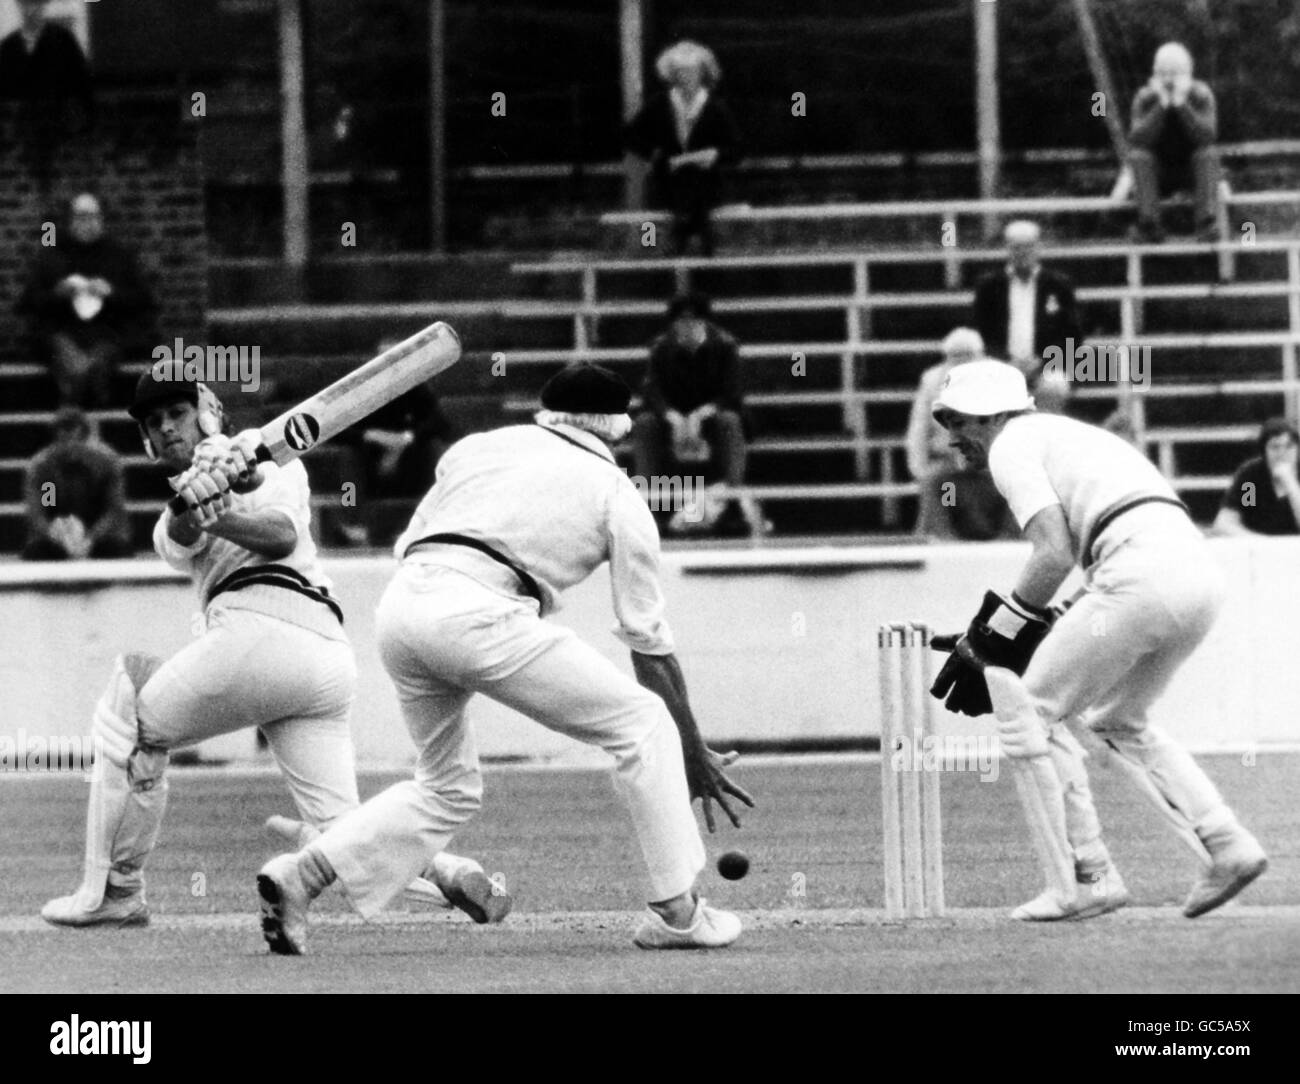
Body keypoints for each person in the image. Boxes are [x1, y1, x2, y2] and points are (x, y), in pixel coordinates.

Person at [244, 362, 755, 954]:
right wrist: (689, 746)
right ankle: (678, 912)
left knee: (445, 788)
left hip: (403, 608)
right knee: (644, 723)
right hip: (482, 610)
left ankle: (300, 876)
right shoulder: (619, 492)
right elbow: (648, 642)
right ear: (617, 425)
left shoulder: (479, 447)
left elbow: (415, 537)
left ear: (547, 412)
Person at [41, 373, 504, 929]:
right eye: (154, 422)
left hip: (266, 629)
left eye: (178, 414)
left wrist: (228, 497)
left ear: (207, 411)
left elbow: (281, 535)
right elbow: (181, 536)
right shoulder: (170, 519)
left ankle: (114, 891)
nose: (166, 428)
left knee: (129, 703)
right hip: (317, 661)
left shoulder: (268, 453)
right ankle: (451, 872)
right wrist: (198, 501)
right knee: (341, 829)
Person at [928, 360, 1267, 922]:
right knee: (1116, 719)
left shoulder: (1013, 443)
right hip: (1195, 577)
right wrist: (1033, 622)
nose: (952, 437)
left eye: (957, 419)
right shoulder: (1070, 435)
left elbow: (1053, 553)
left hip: (1137, 575)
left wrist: (993, 635)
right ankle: (1226, 843)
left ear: (990, 414)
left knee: (1030, 711)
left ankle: (1086, 877)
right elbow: (1103, 554)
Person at [632, 292, 758, 536]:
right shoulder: (661, 348)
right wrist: (674, 417)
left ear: (705, 323)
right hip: (673, 421)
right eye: (681, 322)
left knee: (730, 420)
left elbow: (732, 393)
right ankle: (650, 506)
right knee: (644, 423)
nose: (686, 327)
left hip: (712, 418)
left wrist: (701, 415)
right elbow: (652, 393)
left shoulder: (726, 346)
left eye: (693, 321)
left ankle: (733, 505)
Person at [18, 193, 157, 407]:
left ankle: (74, 412)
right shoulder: (52, 257)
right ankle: (90, 401)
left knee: (86, 367)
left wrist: (111, 294)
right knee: (76, 365)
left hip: (108, 336)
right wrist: (58, 294)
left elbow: (145, 302)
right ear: (70, 220)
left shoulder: (120, 257)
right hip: (62, 335)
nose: (88, 223)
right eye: (81, 216)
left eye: (93, 216)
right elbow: (27, 303)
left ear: (102, 219)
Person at [623, 40, 739, 256]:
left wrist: (715, 155)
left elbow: (736, 150)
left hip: (707, 186)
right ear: (671, 75)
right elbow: (629, 135)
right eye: (680, 72)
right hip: (667, 186)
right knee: (658, 236)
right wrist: (656, 155)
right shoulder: (659, 105)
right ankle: (671, 270)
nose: (686, 77)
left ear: (702, 73)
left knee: (698, 214)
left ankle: (702, 271)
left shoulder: (716, 108)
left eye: (692, 71)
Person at [905, 328, 1015, 541]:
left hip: (992, 464)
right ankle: (946, 537)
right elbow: (918, 429)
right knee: (938, 486)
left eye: (967, 357)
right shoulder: (932, 381)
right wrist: (920, 469)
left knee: (1019, 484)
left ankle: (1008, 535)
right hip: (949, 466)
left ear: (981, 356)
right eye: (956, 358)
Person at [972, 220, 1080, 414]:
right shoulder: (989, 287)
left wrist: (1041, 361)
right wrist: (1006, 361)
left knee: (1055, 387)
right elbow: (980, 332)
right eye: (1016, 247)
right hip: (1000, 364)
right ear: (1007, 249)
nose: (1022, 252)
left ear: (1039, 248)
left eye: (1028, 246)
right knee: (989, 388)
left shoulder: (1059, 285)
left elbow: (1072, 334)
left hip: (1046, 365)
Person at [1128, 42, 1221, 244]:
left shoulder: (1201, 95)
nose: (1169, 79)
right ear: (1155, 74)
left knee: (1208, 153)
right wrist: (1161, 105)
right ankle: (1149, 225)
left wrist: (1181, 105)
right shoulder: (1144, 97)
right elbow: (1138, 139)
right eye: (1163, 73)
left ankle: (1206, 224)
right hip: (1157, 174)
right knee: (1139, 156)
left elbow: (1207, 136)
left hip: (1193, 173)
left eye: (1175, 73)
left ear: (1188, 73)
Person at [22, 406, 132, 560]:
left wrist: (90, 538)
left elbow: (112, 510)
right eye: (63, 439)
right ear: (55, 441)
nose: (70, 445)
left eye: (76, 439)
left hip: (98, 531)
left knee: (118, 548)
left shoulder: (107, 463)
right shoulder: (43, 468)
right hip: (59, 531)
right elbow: (42, 510)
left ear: (86, 439)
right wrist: (57, 535)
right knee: (36, 551)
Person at [0, 0, 92, 131]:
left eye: (35, 4)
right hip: (21, 128)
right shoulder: (8, 46)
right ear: (19, 6)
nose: (31, 10)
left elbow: (81, 82)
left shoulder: (63, 40)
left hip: (59, 127)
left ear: (43, 5)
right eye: (26, 4)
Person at [1211, 417, 1300, 536]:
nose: (1282, 454)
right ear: (1264, 452)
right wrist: (1263, 544)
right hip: (1257, 547)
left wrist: (1290, 482)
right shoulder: (1252, 479)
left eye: (1289, 447)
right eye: (1275, 447)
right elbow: (1224, 524)